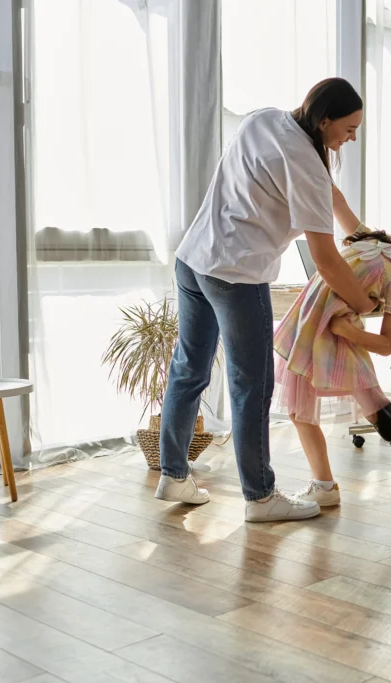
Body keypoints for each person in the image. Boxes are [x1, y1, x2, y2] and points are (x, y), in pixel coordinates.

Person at [156, 78, 378, 523]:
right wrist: (366, 303)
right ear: (325, 120)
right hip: (236, 275)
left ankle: (174, 474)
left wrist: (360, 232)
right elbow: (325, 260)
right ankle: (260, 497)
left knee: (189, 368)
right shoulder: (308, 165)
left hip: (193, 260)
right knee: (251, 385)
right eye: (350, 128)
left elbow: (327, 194)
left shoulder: (265, 119)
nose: (352, 137)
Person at [273, 185, 391, 519]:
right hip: (311, 330)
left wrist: (347, 330)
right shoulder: (379, 243)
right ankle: (324, 487)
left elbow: (388, 343)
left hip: (334, 338)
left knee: (377, 409)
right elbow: (340, 203)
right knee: (299, 412)